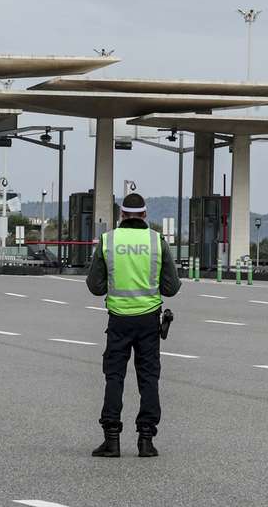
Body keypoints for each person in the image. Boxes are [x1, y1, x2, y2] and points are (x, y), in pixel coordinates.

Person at [86, 192, 181, 458]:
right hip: (149, 320)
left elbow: (95, 287)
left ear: (121, 215)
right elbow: (171, 288)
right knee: (149, 378)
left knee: (114, 376)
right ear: (145, 215)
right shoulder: (156, 242)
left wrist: (113, 285)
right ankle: (146, 440)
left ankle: (112, 440)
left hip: (118, 319)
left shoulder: (108, 241)